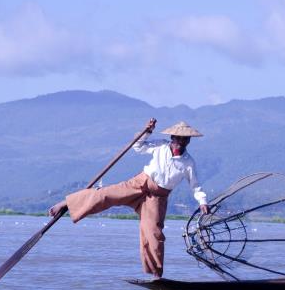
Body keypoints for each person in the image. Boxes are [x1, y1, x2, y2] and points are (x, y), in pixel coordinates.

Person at [48, 118, 210, 278]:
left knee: (154, 234)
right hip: (140, 183)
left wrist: (202, 202)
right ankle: (67, 203)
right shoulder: (160, 145)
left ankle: (156, 275)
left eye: (185, 139)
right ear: (172, 138)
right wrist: (146, 132)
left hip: (158, 197)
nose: (181, 142)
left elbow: (195, 185)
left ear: (188, 141)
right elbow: (137, 146)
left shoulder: (188, 162)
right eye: (178, 138)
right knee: (105, 194)